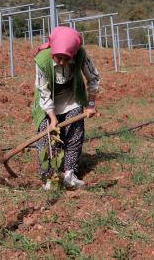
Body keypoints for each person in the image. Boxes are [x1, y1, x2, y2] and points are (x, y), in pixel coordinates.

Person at [32, 26, 100, 190]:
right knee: (47, 136)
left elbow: (93, 78)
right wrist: (53, 118)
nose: (61, 62)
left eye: (65, 58)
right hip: (47, 103)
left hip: (71, 99)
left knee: (74, 135)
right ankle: (49, 177)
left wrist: (90, 105)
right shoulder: (42, 60)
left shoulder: (81, 55)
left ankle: (70, 173)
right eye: (58, 58)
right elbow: (44, 91)